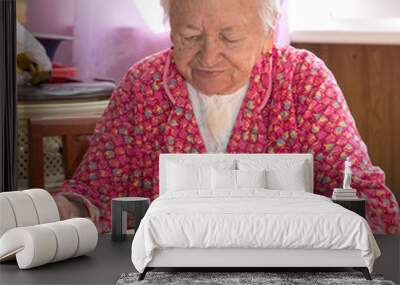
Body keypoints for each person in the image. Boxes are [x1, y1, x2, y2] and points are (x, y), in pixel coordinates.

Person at [54, 0, 400, 234]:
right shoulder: (142, 85)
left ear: (268, 35)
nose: (209, 56)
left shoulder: (302, 80)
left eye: (229, 37)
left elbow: (361, 193)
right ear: (170, 27)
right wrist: (64, 210)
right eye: (190, 37)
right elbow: (93, 191)